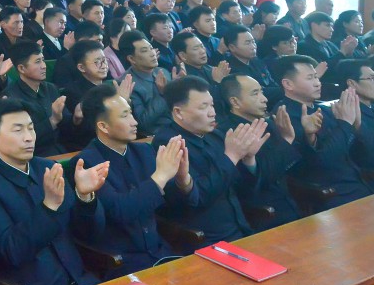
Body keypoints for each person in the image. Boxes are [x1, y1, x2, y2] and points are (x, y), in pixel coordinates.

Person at [0, 99, 109, 285]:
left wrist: (84, 197)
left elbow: (90, 234)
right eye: (18, 130)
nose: (29, 137)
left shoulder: (48, 168)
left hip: (80, 282)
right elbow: (11, 251)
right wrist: (48, 207)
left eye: (31, 128)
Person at [75, 84, 185, 275]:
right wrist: (160, 176)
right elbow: (121, 211)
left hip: (160, 250)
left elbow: (170, 203)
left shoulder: (143, 150)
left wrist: (183, 179)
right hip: (122, 262)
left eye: (132, 113)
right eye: (125, 116)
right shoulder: (87, 162)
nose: (134, 122)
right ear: (103, 126)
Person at [153, 76, 265, 250]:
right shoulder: (169, 143)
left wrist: (249, 159)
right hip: (205, 239)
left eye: (211, 105)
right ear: (178, 112)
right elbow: (199, 197)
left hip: (240, 228)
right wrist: (231, 157)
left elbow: (245, 191)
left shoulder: (216, 135)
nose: (212, 112)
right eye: (203, 107)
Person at [273, 55, 372, 208]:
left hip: (358, 182)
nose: (317, 83)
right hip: (331, 195)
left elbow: (363, 153)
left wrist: (357, 126)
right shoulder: (284, 117)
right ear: (288, 84)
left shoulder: (325, 108)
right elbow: (323, 161)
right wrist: (345, 124)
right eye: (310, 78)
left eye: (317, 77)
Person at [217, 75, 302, 229]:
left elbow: (291, 163)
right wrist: (286, 140)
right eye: (255, 94)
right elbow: (265, 176)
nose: (264, 99)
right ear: (235, 101)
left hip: (289, 202)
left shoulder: (266, 122)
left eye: (262, 92)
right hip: (263, 214)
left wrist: (305, 136)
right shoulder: (228, 133)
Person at [2, 41, 66, 157]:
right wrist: (52, 120)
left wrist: (77, 118)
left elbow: (66, 122)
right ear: (21, 68)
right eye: (37, 62)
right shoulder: (11, 97)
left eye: (43, 60)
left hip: (62, 149)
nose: (44, 66)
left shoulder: (51, 88)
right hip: (35, 156)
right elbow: (21, 138)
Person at [120, 31, 172, 134]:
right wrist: (162, 95)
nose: (152, 53)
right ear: (131, 58)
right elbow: (143, 123)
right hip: (155, 136)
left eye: (151, 48)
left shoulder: (163, 72)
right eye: (144, 51)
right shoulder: (128, 84)